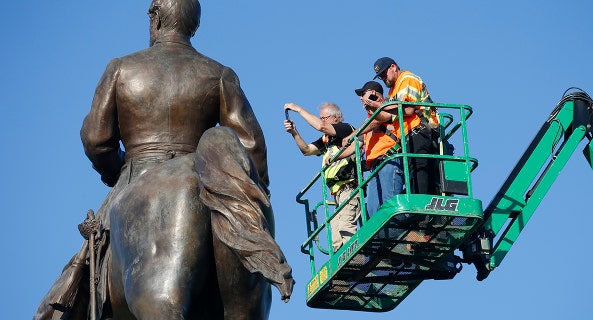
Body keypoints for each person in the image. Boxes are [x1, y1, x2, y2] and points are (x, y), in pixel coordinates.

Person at [35, 1, 293, 319]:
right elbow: (251, 147)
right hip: (207, 174)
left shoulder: (121, 68)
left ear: (155, 18)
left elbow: (96, 140)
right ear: (193, 26)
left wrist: (118, 173)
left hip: (133, 176)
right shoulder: (219, 74)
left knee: (68, 298)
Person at [283, 102, 361, 252]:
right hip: (336, 192)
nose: (322, 121)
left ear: (335, 118)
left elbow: (320, 126)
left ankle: (356, 257)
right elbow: (306, 150)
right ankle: (341, 265)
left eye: (324, 118)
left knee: (346, 226)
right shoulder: (326, 139)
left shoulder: (345, 129)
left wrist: (298, 109)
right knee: (336, 236)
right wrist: (294, 132)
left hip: (348, 186)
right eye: (321, 118)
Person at [365, 57, 440, 195]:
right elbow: (389, 115)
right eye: (380, 76)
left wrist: (377, 105)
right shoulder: (393, 90)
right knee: (415, 172)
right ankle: (419, 208)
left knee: (419, 170)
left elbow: (408, 110)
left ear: (393, 67)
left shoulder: (407, 79)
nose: (383, 78)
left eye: (384, 74)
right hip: (408, 134)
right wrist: (372, 109)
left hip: (420, 130)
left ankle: (422, 208)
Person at [350, 81, 405, 217]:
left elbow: (379, 120)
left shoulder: (387, 106)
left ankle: (397, 231)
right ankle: (384, 236)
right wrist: (333, 159)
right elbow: (355, 142)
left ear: (373, 93)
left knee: (389, 205)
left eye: (364, 94)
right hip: (375, 166)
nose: (361, 98)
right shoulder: (368, 120)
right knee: (373, 211)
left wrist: (354, 133)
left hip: (390, 160)